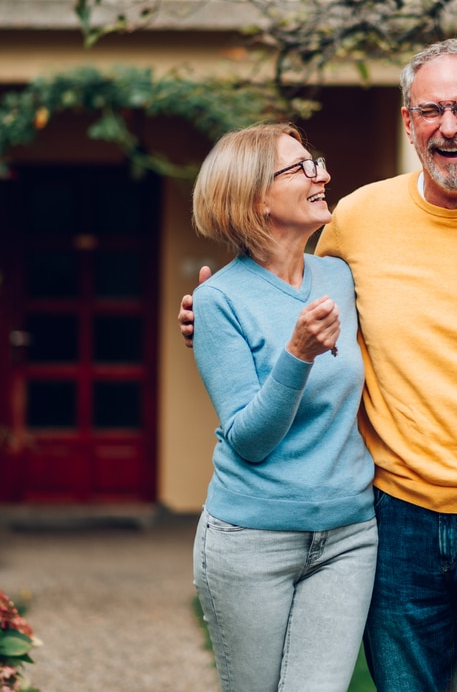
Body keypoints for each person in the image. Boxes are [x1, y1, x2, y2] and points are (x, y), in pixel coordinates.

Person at [181, 41, 457, 691]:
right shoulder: (357, 220)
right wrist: (209, 318)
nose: (448, 125)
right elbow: (278, 290)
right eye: (430, 110)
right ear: (407, 123)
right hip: (392, 518)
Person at [188, 122, 379, 692]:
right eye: (300, 168)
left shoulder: (340, 275)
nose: (320, 174)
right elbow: (249, 438)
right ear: (255, 200)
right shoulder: (219, 300)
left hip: (348, 533)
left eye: (314, 161)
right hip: (252, 539)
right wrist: (296, 354)